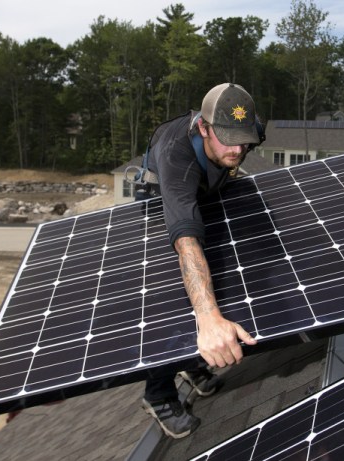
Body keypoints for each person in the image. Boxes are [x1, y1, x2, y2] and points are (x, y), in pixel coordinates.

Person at [136, 83, 263, 438]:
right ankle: (158, 394)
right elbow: (188, 243)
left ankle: (189, 364)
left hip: (209, 191)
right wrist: (208, 320)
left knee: (226, 266)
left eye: (244, 139)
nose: (239, 149)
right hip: (162, 201)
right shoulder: (176, 156)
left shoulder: (246, 130)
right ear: (204, 128)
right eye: (228, 139)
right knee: (177, 292)